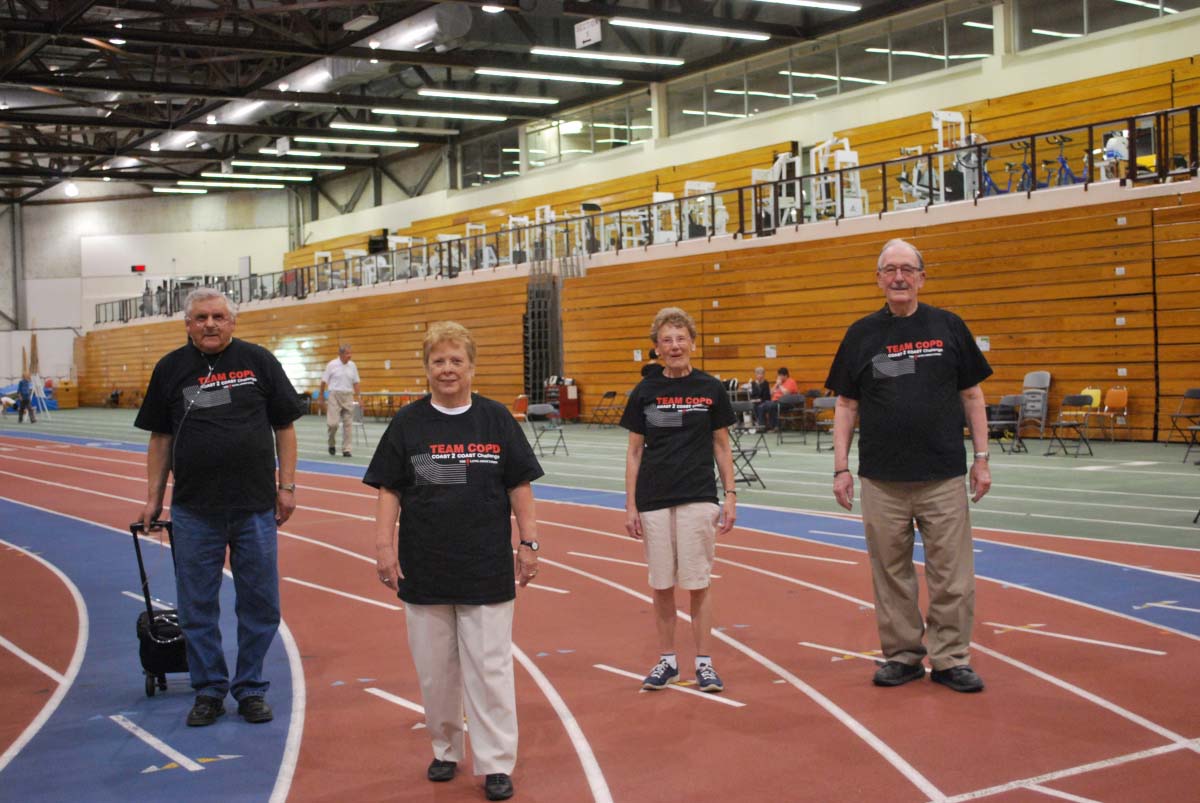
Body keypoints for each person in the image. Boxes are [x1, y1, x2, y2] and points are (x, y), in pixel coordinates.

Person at [366, 321, 542, 802]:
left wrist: (529, 542)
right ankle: (446, 749)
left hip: (485, 564)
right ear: (426, 368)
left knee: (490, 669)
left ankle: (496, 762)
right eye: (438, 361)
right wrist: (385, 546)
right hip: (424, 565)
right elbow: (389, 489)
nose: (447, 369)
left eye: (456, 361)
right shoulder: (408, 423)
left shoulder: (496, 419)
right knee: (435, 670)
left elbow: (519, 485)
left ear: (471, 366)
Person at [826, 238, 992, 694]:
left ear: (921, 276)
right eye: (889, 270)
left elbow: (973, 396)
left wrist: (981, 459)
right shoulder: (861, 334)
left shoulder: (949, 326)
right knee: (891, 573)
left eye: (907, 269)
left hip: (943, 475)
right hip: (881, 479)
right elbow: (845, 404)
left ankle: (951, 658)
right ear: (878, 279)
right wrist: (840, 468)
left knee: (952, 574)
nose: (898, 277)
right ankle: (902, 655)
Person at [135, 287, 301, 726]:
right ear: (187, 324)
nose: (211, 324)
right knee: (196, 607)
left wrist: (287, 487)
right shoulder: (170, 368)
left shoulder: (259, 361)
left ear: (233, 322)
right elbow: (160, 438)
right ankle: (208, 689)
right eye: (202, 317)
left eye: (219, 317)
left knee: (261, 604)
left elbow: (284, 426)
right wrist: (153, 498)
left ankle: (250, 689)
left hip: (254, 508)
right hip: (194, 510)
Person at [621, 306, 737, 694]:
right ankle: (668, 661)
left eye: (681, 338)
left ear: (692, 342)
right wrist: (630, 504)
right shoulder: (645, 392)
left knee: (698, 582)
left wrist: (731, 494)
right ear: (656, 347)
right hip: (653, 499)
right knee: (662, 584)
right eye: (667, 340)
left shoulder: (710, 388)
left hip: (698, 496)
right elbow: (634, 451)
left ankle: (705, 663)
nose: (675, 346)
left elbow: (722, 445)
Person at [319, 343, 361, 457]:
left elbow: (356, 382)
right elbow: (323, 382)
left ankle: (346, 449)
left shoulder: (353, 366)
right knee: (333, 424)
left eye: (350, 353)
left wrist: (359, 398)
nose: (350, 356)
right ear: (341, 354)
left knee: (348, 424)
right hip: (334, 395)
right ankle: (331, 443)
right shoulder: (331, 365)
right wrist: (321, 396)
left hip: (348, 395)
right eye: (347, 353)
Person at [755, 367, 798, 431]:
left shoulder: (791, 382)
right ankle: (762, 426)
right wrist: (776, 385)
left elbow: (786, 394)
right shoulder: (779, 382)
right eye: (778, 375)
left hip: (786, 403)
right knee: (761, 406)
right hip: (775, 402)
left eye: (780, 375)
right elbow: (771, 393)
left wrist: (780, 385)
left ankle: (775, 427)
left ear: (785, 375)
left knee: (771, 406)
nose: (779, 377)